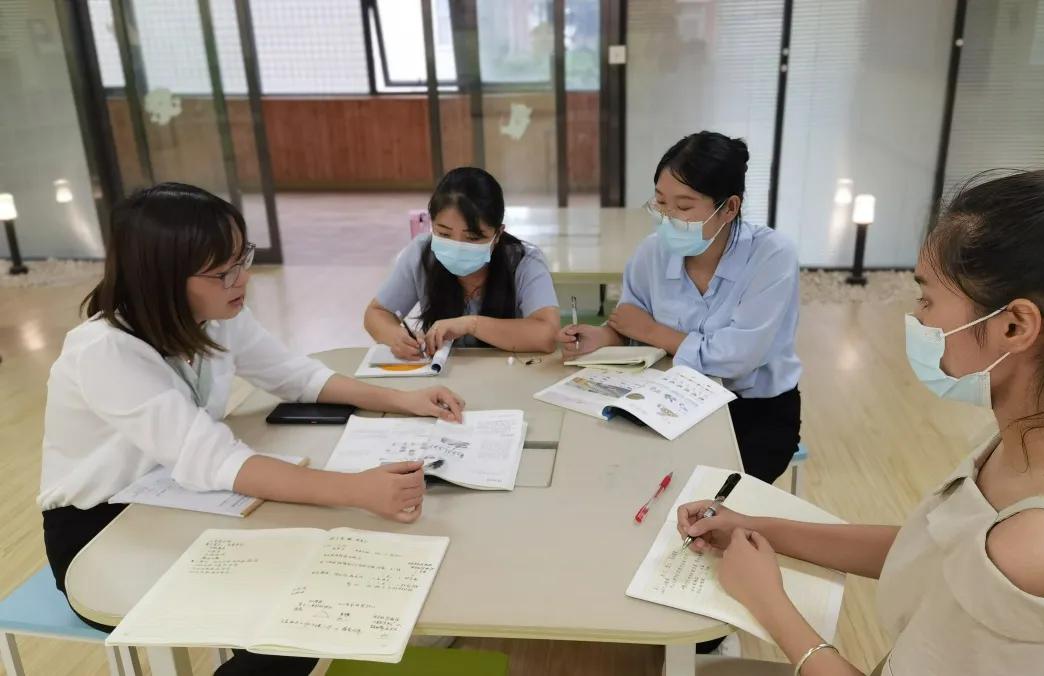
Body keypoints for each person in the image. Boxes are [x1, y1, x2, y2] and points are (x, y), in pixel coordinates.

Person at [39, 183, 465, 676]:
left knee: (306, 579)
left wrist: (403, 400)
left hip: (181, 498)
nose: (244, 278)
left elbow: (296, 375)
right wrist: (358, 490)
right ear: (162, 279)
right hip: (103, 530)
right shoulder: (105, 352)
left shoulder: (215, 315)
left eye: (243, 258)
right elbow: (217, 460)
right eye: (224, 272)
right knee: (290, 614)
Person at [677, 170, 1044, 675]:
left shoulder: (1038, 545)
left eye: (928, 300)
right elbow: (930, 549)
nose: (918, 320)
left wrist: (769, 602)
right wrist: (757, 528)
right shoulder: (1029, 435)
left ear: (1014, 326)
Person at [559, 131, 801, 484]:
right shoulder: (650, 252)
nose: (667, 217)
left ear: (729, 208)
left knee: (708, 501)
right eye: (660, 202)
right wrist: (602, 338)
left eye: (684, 207)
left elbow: (736, 358)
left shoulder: (772, 257)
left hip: (754, 410)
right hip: (669, 396)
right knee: (621, 478)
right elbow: (629, 322)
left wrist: (653, 332)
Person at [364, 167, 560, 357]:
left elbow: (547, 334)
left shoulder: (524, 261)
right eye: (444, 234)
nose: (457, 246)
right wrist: (396, 337)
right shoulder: (421, 253)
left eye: (473, 238)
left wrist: (471, 325)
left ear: (498, 234)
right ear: (432, 225)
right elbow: (376, 313)